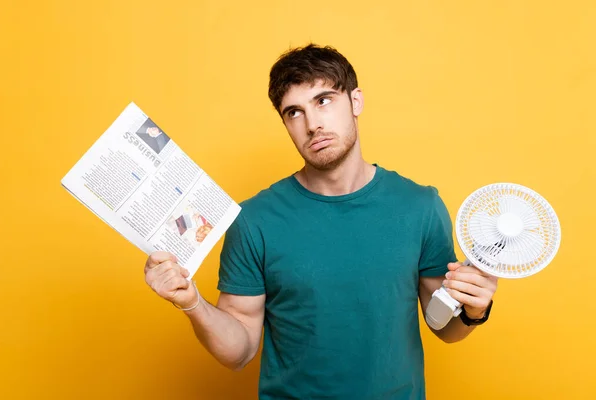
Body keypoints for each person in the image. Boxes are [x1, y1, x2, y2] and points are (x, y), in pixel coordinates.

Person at [144, 44, 498, 399]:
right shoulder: (253, 220)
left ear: (355, 102)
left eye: (324, 100)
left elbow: (444, 326)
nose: (313, 124)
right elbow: (240, 351)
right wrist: (191, 302)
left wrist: (473, 309)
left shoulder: (420, 206)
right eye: (294, 112)